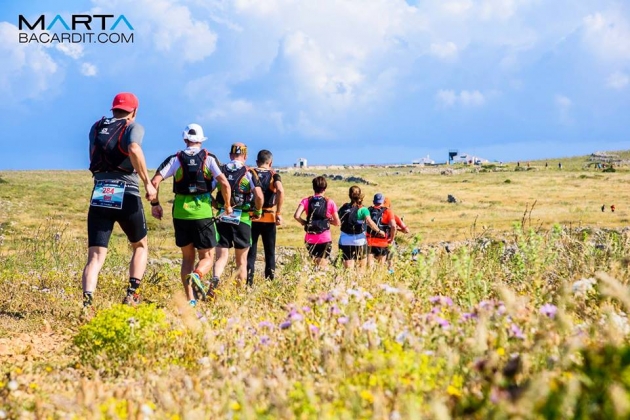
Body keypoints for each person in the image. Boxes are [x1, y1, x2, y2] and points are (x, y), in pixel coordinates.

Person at [82, 92, 157, 309]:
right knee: (140, 245)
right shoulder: (133, 126)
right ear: (134, 111)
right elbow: (133, 148)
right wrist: (147, 182)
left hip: (100, 192)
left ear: (113, 108)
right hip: (127, 192)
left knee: (95, 256)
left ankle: (87, 303)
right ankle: (132, 294)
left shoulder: (96, 127)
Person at [149, 124, 232, 306]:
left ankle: (191, 301)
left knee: (187, 258)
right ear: (201, 141)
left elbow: (154, 181)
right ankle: (198, 275)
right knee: (207, 257)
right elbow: (224, 184)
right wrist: (227, 205)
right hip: (203, 214)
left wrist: (155, 204)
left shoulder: (175, 159)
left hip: (180, 214)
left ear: (185, 139)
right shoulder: (209, 159)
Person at [212, 143, 264, 289]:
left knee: (221, 257)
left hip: (222, 216)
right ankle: (239, 292)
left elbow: (205, 190)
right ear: (245, 157)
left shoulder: (220, 171)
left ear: (230, 155)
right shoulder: (249, 172)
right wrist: (258, 211)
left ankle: (215, 279)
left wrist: (215, 203)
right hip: (243, 218)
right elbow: (259, 196)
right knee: (241, 261)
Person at [246, 150, 284, 286]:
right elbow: (280, 190)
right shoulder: (274, 175)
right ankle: (270, 282)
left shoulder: (250, 173)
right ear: (271, 162)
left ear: (257, 162)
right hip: (269, 217)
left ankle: (248, 282)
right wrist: (278, 212)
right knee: (270, 251)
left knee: (251, 252)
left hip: (252, 216)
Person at [294, 176, 340, 269]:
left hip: (310, 238)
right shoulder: (329, 202)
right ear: (325, 188)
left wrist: (304, 222)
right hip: (324, 238)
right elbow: (337, 222)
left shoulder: (306, 200)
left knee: (314, 264)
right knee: (322, 266)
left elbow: (296, 215)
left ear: (313, 187)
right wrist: (329, 221)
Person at [337, 186, 384, 270]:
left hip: (345, 240)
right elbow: (370, 222)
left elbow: (337, 219)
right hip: (359, 240)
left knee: (348, 268)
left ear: (349, 195)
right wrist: (379, 231)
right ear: (359, 195)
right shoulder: (363, 209)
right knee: (361, 268)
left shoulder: (344, 207)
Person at [366, 193, 397, 267]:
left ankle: (370, 277)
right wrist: (392, 238)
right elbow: (393, 226)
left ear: (373, 201)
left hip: (370, 241)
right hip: (382, 242)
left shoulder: (368, 210)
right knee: (380, 266)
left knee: (370, 265)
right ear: (383, 202)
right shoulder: (388, 211)